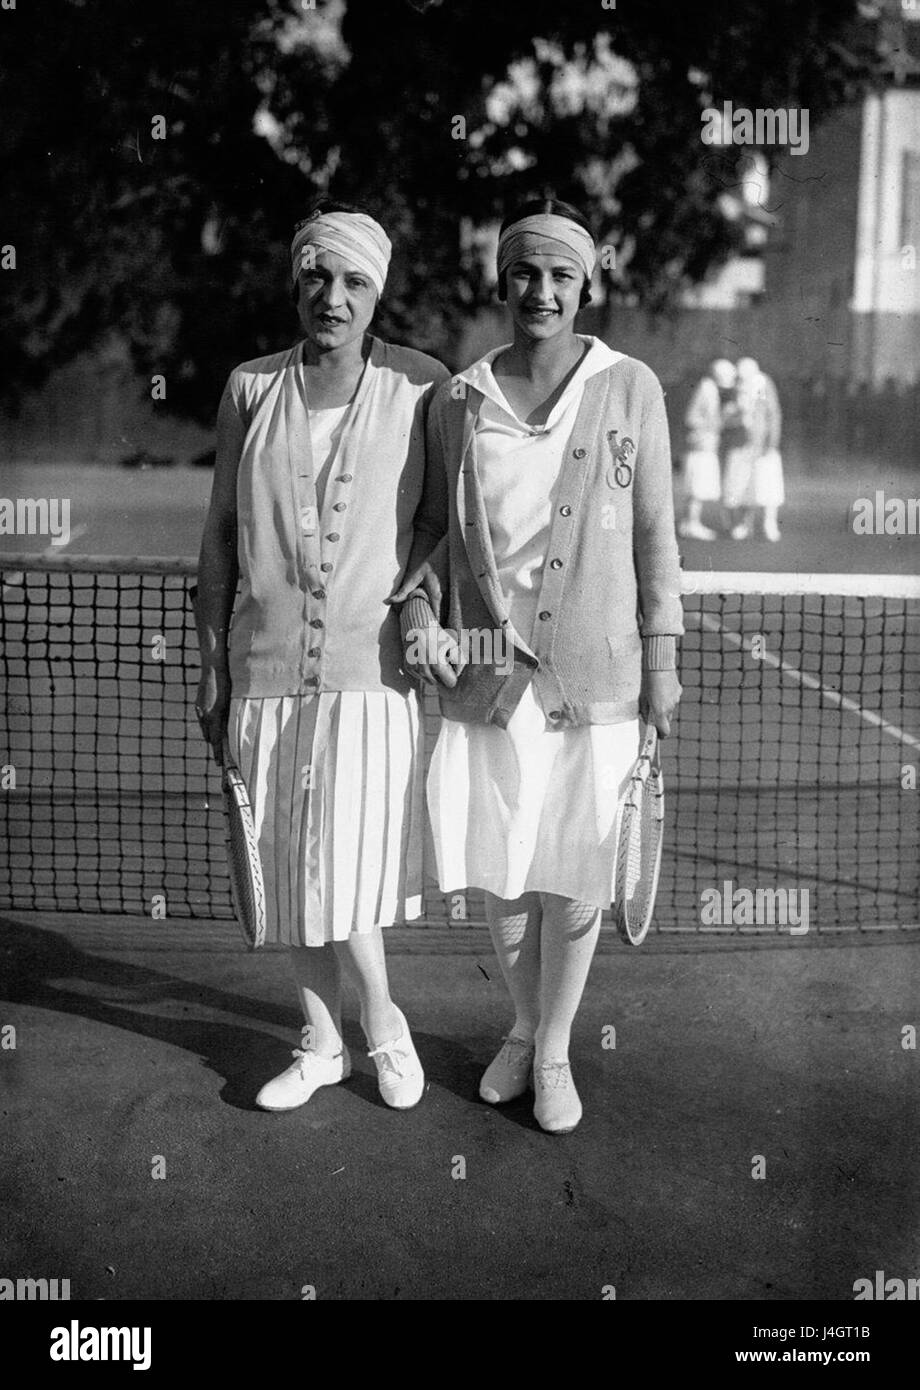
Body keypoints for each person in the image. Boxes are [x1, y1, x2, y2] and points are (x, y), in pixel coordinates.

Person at [392, 198, 683, 1135]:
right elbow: (434, 531)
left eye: (562, 274)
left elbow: (655, 536)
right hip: (486, 675)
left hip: (597, 675)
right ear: (503, 281)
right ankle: (519, 1029)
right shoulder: (457, 399)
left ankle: (554, 1047)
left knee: (578, 872)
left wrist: (664, 660)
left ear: (587, 283)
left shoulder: (631, 386)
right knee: (503, 874)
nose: (543, 291)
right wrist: (425, 612)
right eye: (526, 272)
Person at [195, 199, 449, 1113]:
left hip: (369, 676)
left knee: (342, 869)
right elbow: (220, 535)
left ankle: (382, 1026)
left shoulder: (424, 386)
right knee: (288, 863)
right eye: (316, 276)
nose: (331, 297)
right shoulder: (249, 389)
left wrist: (420, 604)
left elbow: (444, 522)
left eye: (352, 282)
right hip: (262, 671)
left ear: (376, 294)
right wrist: (214, 662)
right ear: (296, 282)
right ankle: (322, 1042)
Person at [724, 357, 784, 542]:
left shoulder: (763, 383)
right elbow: (729, 415)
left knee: (767, 486)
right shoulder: (736, 387)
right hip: (741, 444)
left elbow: (773, 414)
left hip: (762, 444)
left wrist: (772, 442)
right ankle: (744, 524)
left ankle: (769, 523)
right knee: (742, 486)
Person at [678, 358, 737, 540]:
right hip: (700, 446)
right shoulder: (706, 390)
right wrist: (718, 420)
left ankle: (690, 523)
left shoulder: (710, 389)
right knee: (697, 486)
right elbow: (692, 418)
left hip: (706, 445)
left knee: (699, 486)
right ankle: (691, 524)